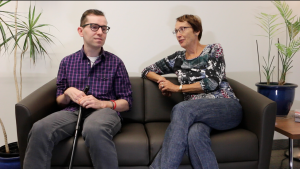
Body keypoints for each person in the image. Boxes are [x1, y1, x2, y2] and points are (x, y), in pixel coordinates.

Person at [23, 9, 132, 169]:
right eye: (94, 27)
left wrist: (102, 104)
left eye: (104, 28)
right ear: (81, 31)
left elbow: (126, 102)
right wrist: (67, 93)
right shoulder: (67, 62)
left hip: (103, 113)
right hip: (73, 111)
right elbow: (60, 102)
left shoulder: (116, 63)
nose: (100, 32)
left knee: (94, 128)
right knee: (39, 128)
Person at [141, 14, 242, 169]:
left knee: (182, 108)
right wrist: (163, 82)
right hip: (197, 116)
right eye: (176, 31)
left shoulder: (214, 49)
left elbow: (212, 82)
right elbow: (147, 71)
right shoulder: (178, 58)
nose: (179, 34)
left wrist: (177, 88)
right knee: (195, 135)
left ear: (197, 31)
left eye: (183, 28)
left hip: (225, 107)